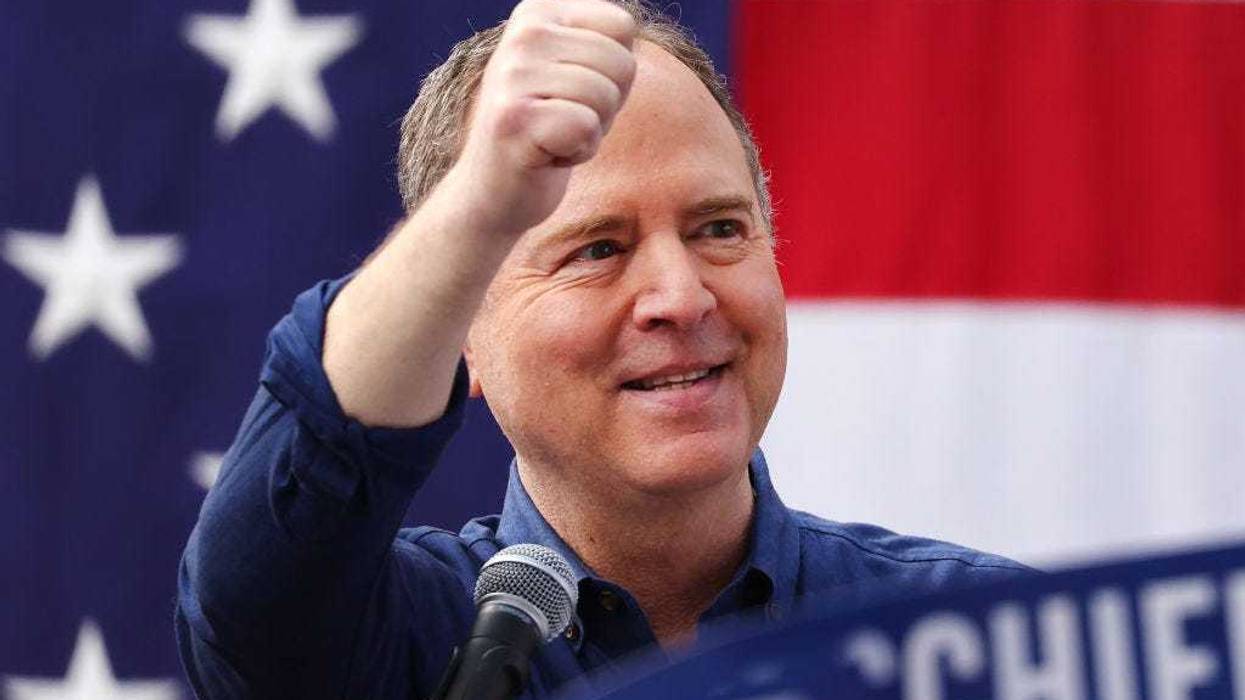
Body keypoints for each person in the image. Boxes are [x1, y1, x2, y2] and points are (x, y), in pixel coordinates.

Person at [175, 0, 1030, 697]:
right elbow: (252, 591)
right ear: (461, 329)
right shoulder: (407, 637)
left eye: (720, 229)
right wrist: (481, 201)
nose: (681, 297)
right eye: (597, 250)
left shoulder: (976, 637)